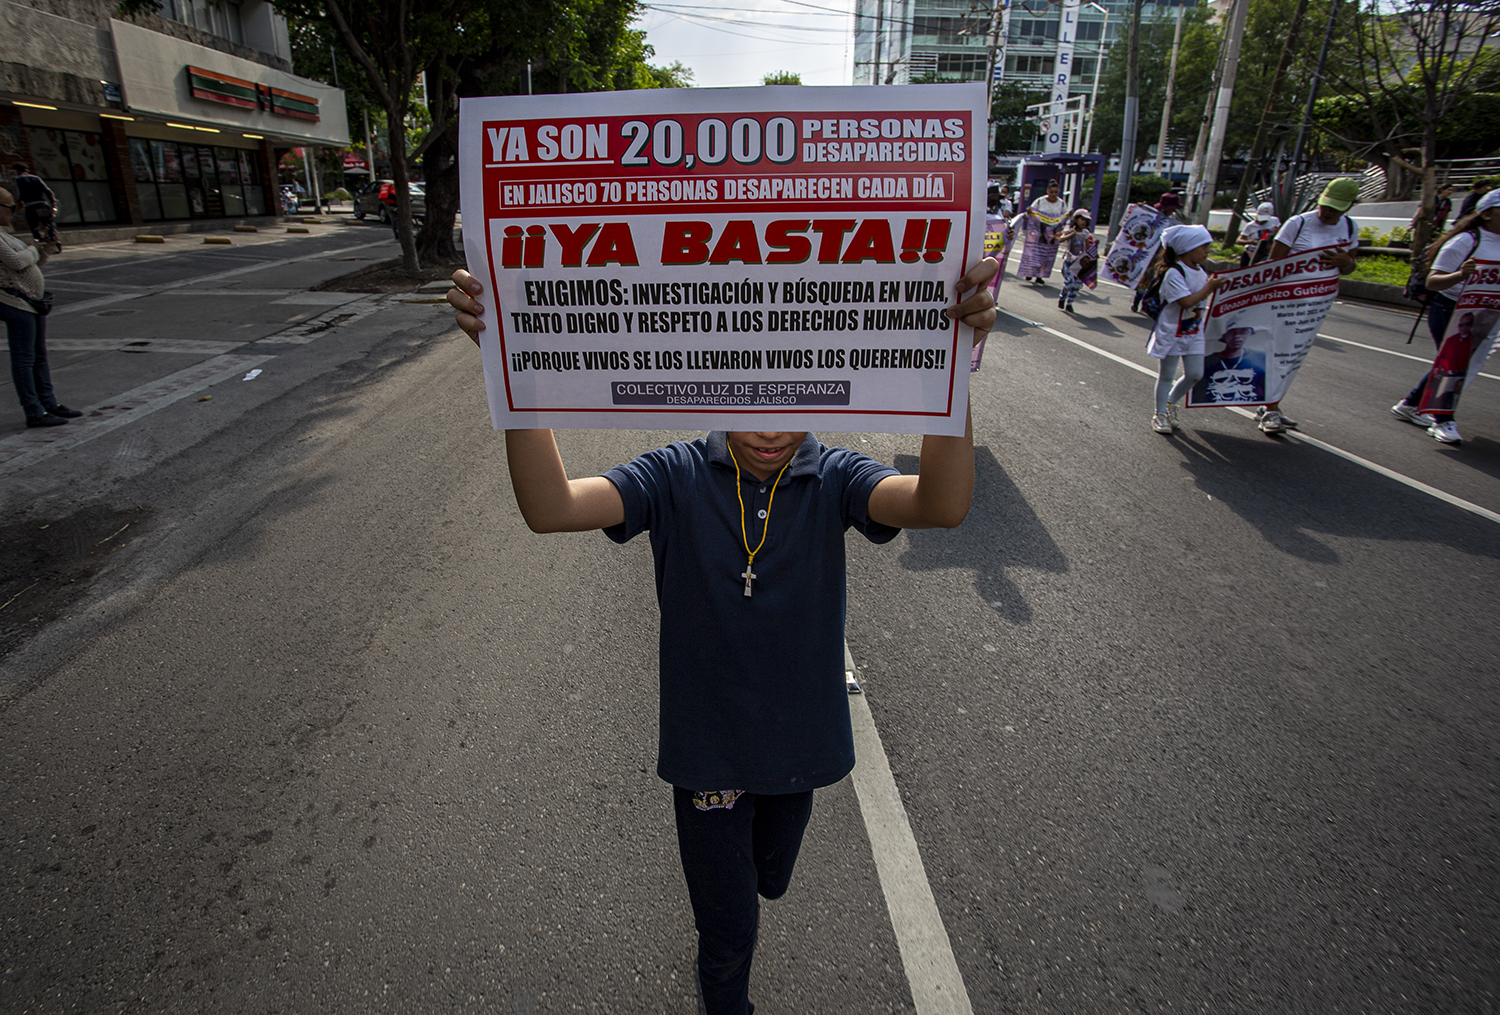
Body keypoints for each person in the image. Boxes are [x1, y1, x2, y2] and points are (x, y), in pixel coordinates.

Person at [445, 258, 997, 1015]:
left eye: (789, 400)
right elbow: (551, 506)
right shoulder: (671, 473)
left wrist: (952, 376)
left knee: (771, 876)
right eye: (748, 400)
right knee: (728, 932)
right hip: (707, 754)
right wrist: (513, 372)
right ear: (712, 385)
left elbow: (940, 503)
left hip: (801, 748)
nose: (769, 427)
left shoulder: (835, 476)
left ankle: (750, 889)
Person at [1255, 176, 1361, 434]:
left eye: (1336, 208)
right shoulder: (1298, 223)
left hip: (1315, 308)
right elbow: (1273, 265)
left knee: (1294, 357)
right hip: (1286, 304)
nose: (1328, 212)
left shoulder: (1349, 228)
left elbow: (1350, 267)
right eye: (1326, 205)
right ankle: (1270, 409)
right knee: (1280, 353)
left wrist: (1344, 261)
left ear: (1349, 206)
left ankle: (1272, 404)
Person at [1393, 189, 1500, 444]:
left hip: (1487, 314)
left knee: (1455, 364)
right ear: (1487, 214)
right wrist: (1461, 275)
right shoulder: (1465, 241)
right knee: (1455, 364)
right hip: (1450, 310)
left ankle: (1409, 404)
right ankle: (1443, 419)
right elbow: (1432, 282)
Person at [0, 188, 79, 427]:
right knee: (24, 358)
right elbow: (16, 261)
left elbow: (31, 263)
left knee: (39, 356)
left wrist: (45, 248)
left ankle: (49, 403)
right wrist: (34, 249)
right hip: (13, 300)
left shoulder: (8, 236)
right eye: (11, 208)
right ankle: (34, 411)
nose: (14, 214)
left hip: (32, 301)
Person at [1146, 224, 1225, 434]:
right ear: (1187, 248)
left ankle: (1170, 403)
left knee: (1195, 374)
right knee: (1167, 375)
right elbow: (1186, 302)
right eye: (1203, 247)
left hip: (1194, 331)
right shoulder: (1174, 273)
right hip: (1172, 332)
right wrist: (1209, 288)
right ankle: (1160, 414)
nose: (1207, 251)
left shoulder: (1200, 271)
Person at [1131, 193, 1190, 312]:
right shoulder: (1153, 216)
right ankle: (1137, 301)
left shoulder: (1178, 219)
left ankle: (1149, 303)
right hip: (1151, 252)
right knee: (1146, 278)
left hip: (1167, 253)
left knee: (1159, 279)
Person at [1019, 179, 1067, 283]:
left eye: (1056, 192)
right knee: (1035, 253)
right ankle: (1029, 272)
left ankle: (1039, 275)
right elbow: (1031, 212)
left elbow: (1065, 217)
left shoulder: (1061, 203)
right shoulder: (1040, 201)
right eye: (1051, 192)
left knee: (1046, 255)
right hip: (1039, 232)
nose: (1053, 194)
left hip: (1052, 235)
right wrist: (1029, 211)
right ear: (1047, 191)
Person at [1055, 207, 1097, 313]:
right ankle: (1062, 297)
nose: (1083, 222)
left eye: (1085, 220)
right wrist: (1071, 234)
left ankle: (1069, 303)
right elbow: (1061, 239)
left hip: (1080, 263)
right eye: (1081, 219)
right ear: (1076, 219)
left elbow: (1087, 248)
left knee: (1077, 285)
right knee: (1069, 282)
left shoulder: (1086, 233)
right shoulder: (1069, 231)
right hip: (1070, 261)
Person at [11, 163, 59, 252]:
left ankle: (39, 243)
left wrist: (19, 202)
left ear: (17, 171)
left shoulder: (18, 179)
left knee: (34, 226)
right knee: (48, 223)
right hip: (41, 204)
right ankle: (53, 241)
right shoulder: (36, 178)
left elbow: (18, 194)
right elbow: (48, 191)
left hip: (30, 206)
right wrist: (53, 203)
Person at [1237, 202, 1280, 268]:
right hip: (1252, 252)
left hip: (1266, 253)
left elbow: (1279, 231)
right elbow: (1239, 241)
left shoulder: (1275, 221)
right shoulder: (1250, 226)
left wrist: (1272, 234)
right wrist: (1251, 242)